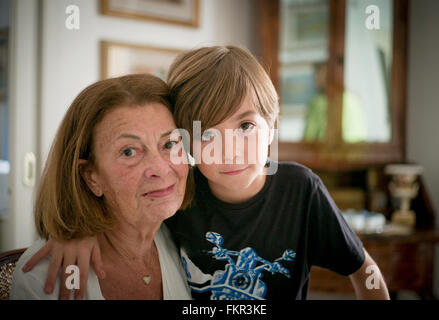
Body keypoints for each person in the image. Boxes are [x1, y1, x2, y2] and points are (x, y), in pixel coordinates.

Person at [23, 46, 389, 300]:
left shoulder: (300, 190)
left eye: (246, 126)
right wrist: (75, 232)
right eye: (208, 134)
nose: (230, 149)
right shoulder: (180, 193)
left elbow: (364, 271)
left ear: (272, 126)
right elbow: (119, 217)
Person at [11, 74, 192, 300]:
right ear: (91, 177)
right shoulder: (43, 279)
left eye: (169, 144)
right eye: (129, 151)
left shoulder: (187, 240)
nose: (161, 168)